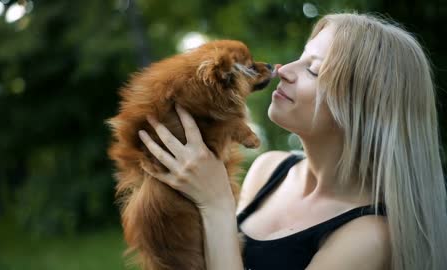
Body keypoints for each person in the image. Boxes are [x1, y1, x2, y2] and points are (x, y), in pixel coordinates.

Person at [137, 12, 447, 270]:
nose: (283, 70)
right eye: (301, 58)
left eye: (313, 70)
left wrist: (216, 203)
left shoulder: (370, 237)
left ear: (362, 111)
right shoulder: (269, 169)